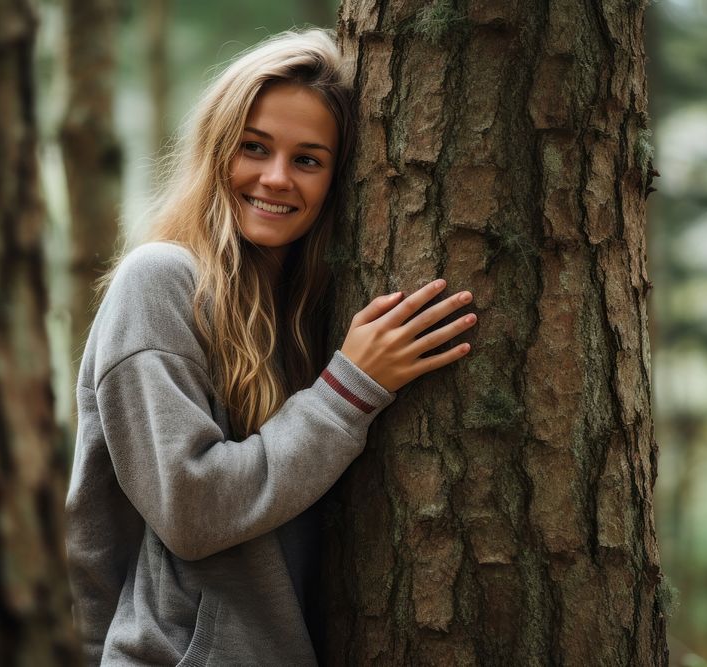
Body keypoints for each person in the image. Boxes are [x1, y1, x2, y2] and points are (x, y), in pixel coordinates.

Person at [64, 28, 477, 666]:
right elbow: (186, 511)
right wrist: (347, 394)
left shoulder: (313, 310)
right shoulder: (160, 283)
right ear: (216, 150)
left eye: (308, 159)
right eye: (254, 148)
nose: (276, 178)